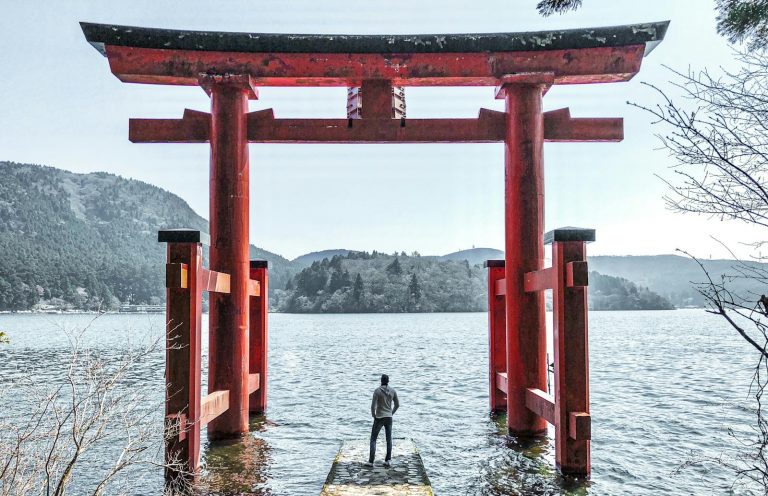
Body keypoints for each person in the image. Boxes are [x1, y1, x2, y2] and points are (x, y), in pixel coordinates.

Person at [365, 374, 399, 467]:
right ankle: (388, 460)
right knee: (389, 439)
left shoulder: (377, 391)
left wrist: (373, 415)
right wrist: (391, 413)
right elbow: (397, 404)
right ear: (388, 381)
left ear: (381, 380)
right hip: (389, 417)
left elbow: (373, 406)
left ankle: (371, 461)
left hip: (379, 417)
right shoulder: (393, 391)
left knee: (373, 439)